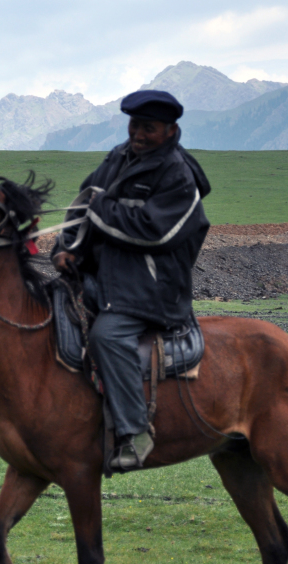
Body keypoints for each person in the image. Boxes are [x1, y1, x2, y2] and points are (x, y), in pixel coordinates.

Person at [51, 89, 212, 473]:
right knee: (52, 306)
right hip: (105, 278)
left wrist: (99, 207)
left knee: (107, 336)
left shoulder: (179, 176)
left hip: (151, 289)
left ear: (171, 130)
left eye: (149, 128)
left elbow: (153, 231)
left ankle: (134, 431)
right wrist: (68, 246)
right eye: (134, 125)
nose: (138, 134)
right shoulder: (118, 158)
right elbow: (81, 206)